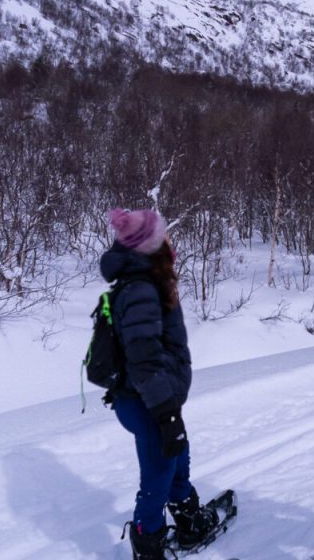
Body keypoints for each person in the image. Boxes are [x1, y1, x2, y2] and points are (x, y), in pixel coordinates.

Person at [100, 208, 218, 560]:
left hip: (155, 397)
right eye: (162, 236)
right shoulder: (141, 290)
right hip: (147, 400)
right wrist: (165, 413)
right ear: (148, 246)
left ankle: (186, 518)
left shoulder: (149, 281)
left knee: (176, 454)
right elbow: (144, 358)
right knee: (158, 471)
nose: (169, 240)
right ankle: (147, 541)